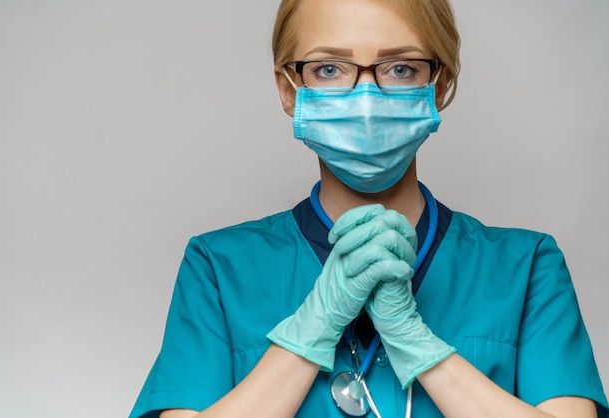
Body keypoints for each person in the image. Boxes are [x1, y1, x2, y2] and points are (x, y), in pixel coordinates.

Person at [130, 0, 608, 416]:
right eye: (329, 69)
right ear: (288, 89)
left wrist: (415, 341)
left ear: (437, 86)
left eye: (400, 68)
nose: (365, 100)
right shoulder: (218, 269)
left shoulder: (527, 269)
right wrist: (312, 326)